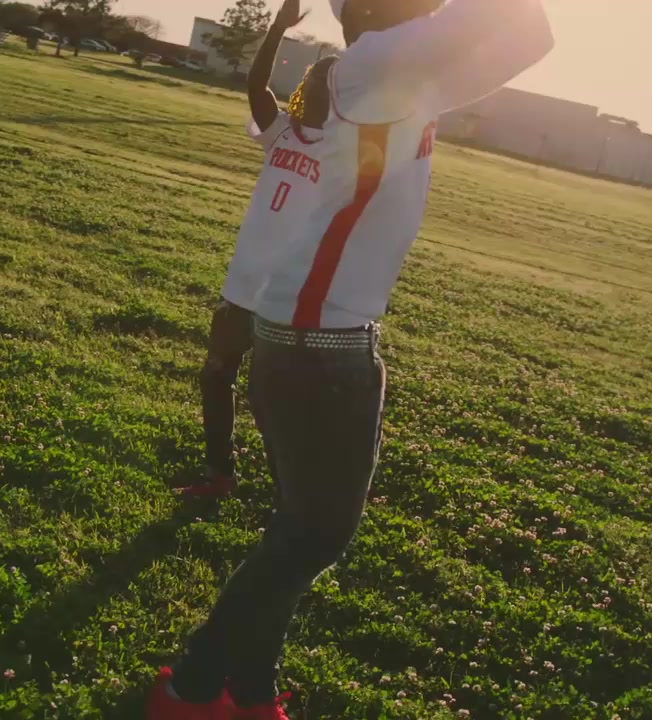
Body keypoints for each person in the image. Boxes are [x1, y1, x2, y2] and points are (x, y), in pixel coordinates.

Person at [148, 0, 554, 718]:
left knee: (296, 529)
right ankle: (193, 687)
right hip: (320, 352)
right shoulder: (373, 65)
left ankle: (249, 690)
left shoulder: (405, 79)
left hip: (313, 343)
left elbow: (529, 33)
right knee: (314, 538)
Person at [180, 0, 333, 499]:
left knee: (272, 398)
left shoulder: (343, 151)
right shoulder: (280, 131)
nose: (315, 85)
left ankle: (296, 493)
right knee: (215, 375)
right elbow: (256, 84)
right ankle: (220, 475)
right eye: (313, 78)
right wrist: (277, 28)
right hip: (241, 286)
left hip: (286, 299)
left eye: (327, 84)